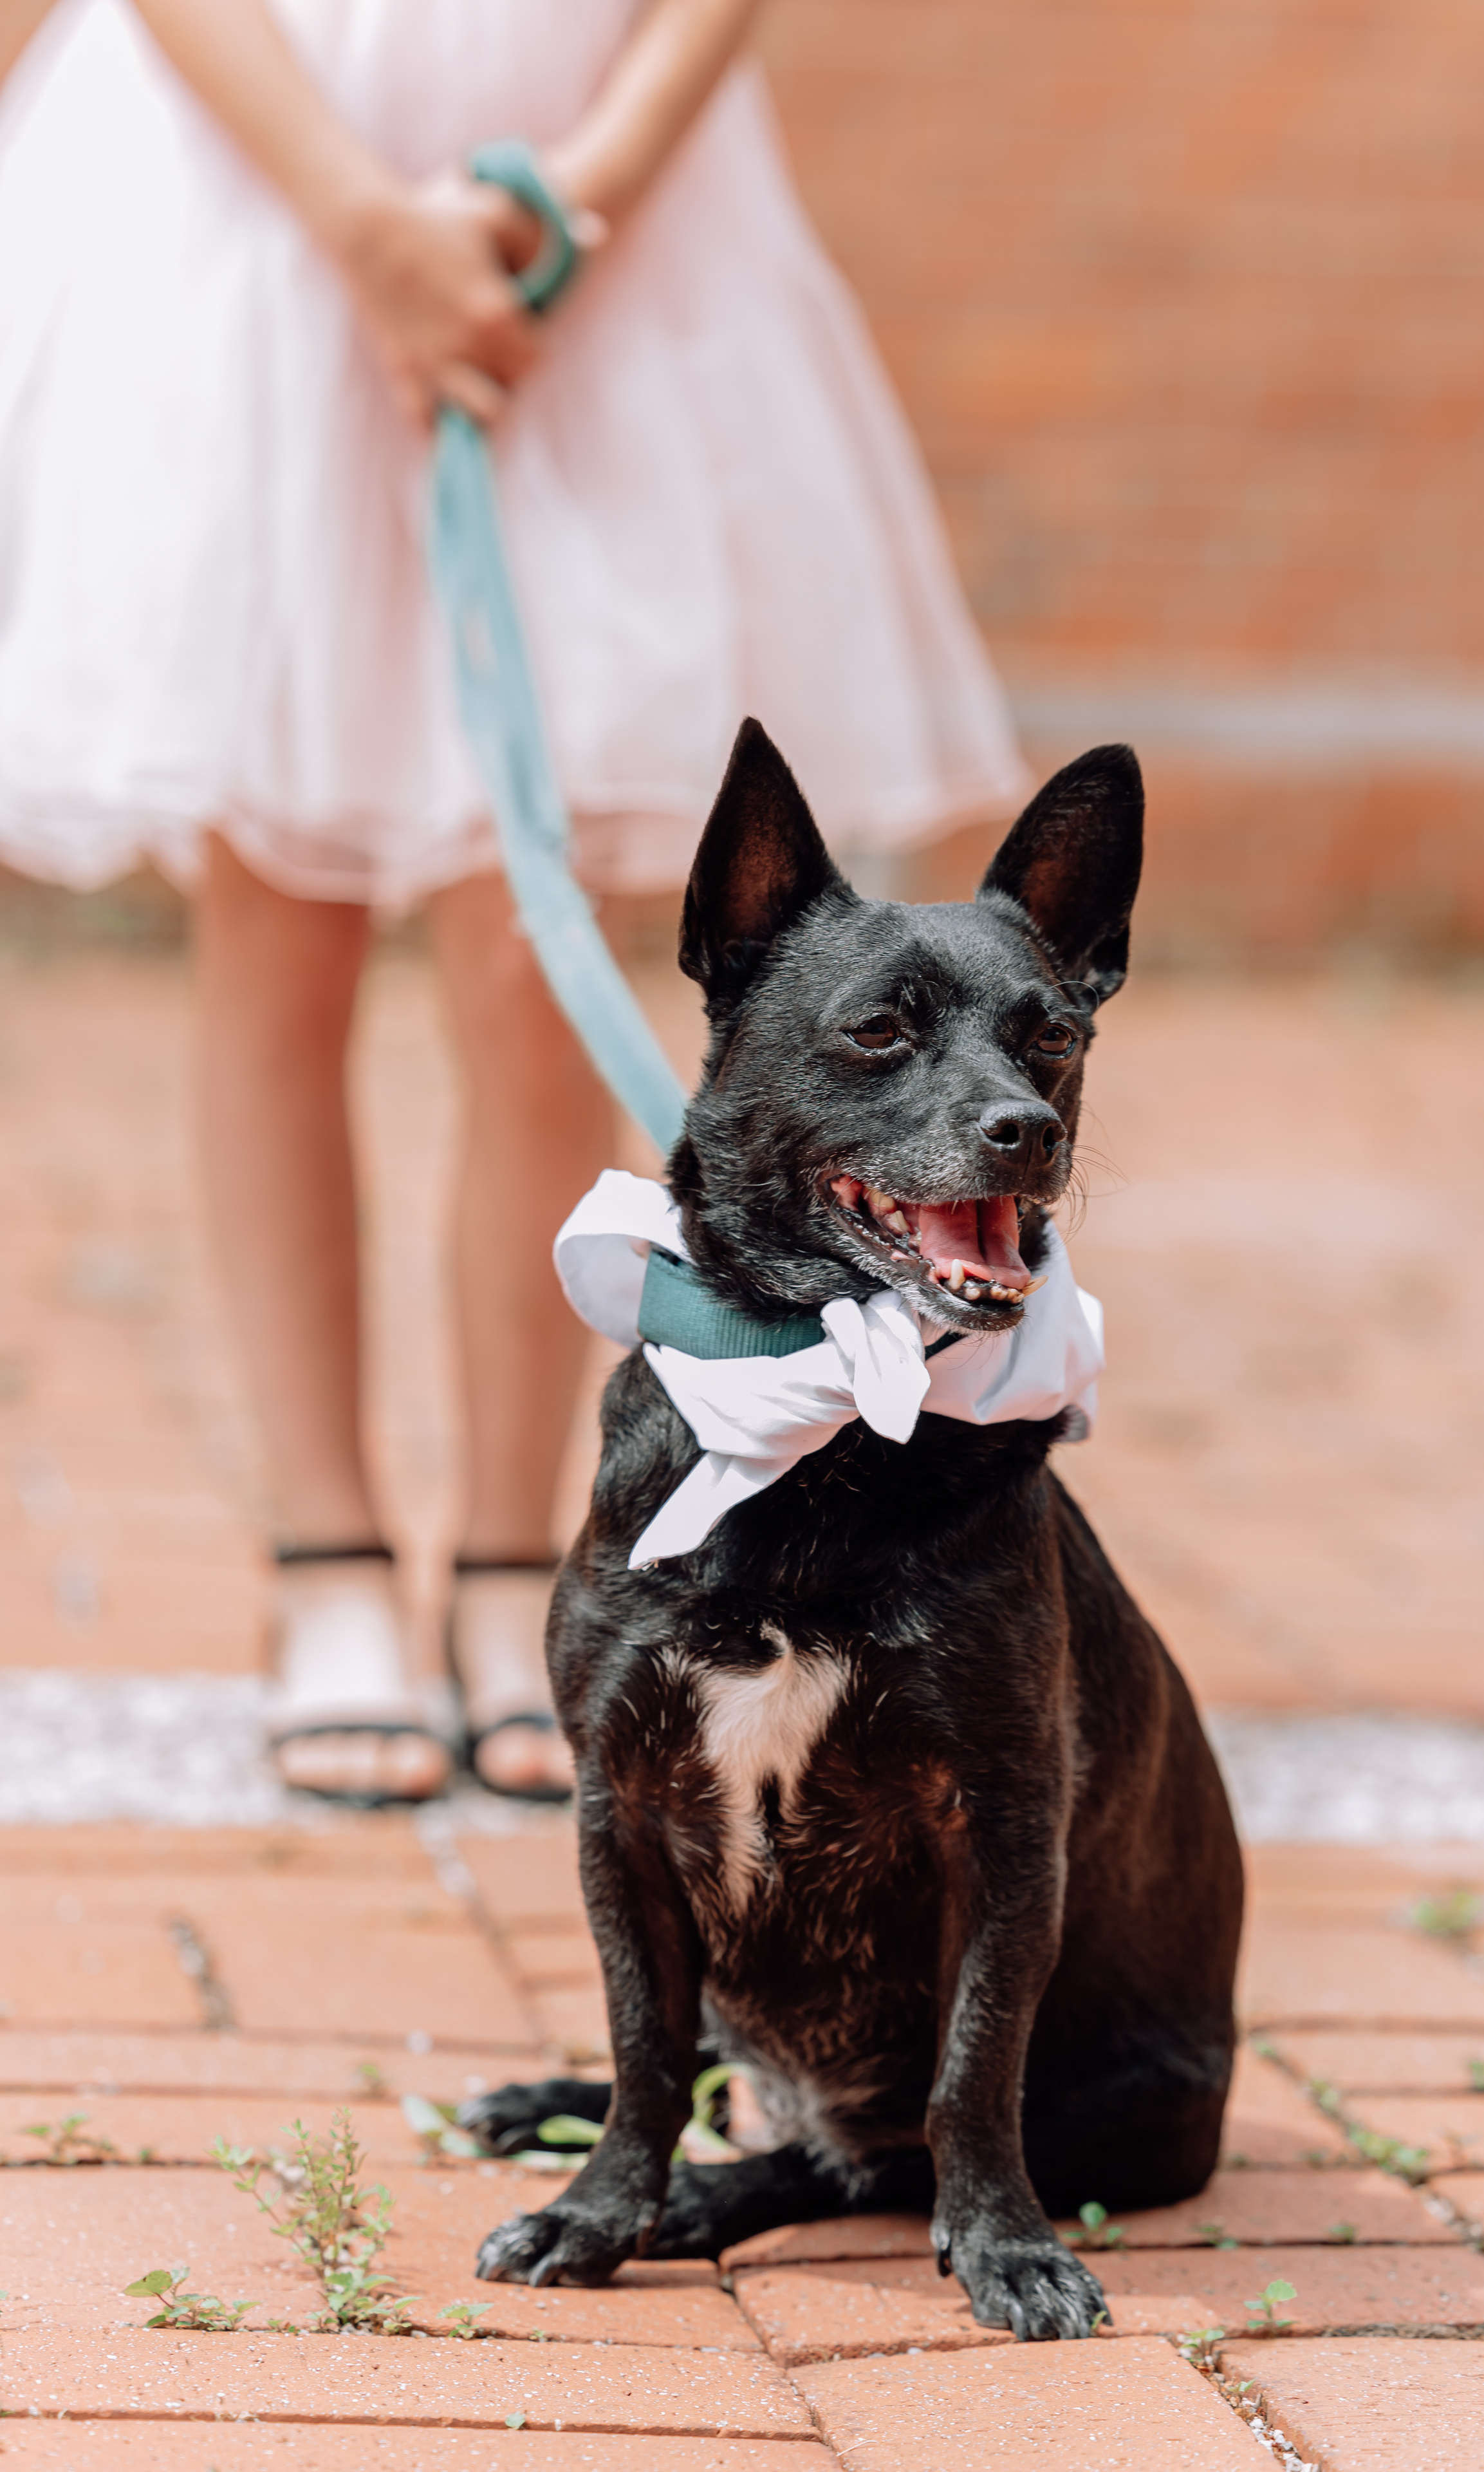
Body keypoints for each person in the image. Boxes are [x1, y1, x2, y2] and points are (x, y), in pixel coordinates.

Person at [0, 0, 1028, 1804]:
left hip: (600, 222)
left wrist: (579, 200)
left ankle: (506, 1557)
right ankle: (325, 1556)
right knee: (278, 923)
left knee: (526, 955)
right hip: (255, 195)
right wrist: (363, 223)